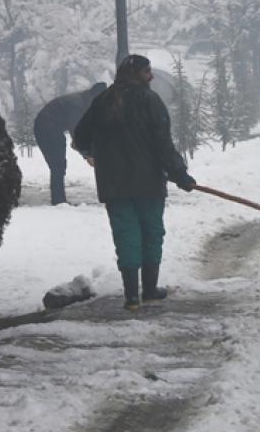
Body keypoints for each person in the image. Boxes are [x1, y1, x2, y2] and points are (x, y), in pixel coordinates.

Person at [72, 55, 196, 311]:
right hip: (148, 183)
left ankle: (131, 297)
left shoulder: (102, 102)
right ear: (137, 74)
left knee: (126, 236)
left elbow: (81, 137)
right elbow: (163, 144)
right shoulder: (150, 101)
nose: (151, 76)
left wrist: (94, 153)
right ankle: (149, 290)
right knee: (151, 233)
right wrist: (179, 173)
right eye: (147, 72)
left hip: (114, 186)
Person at [33, 82, 108, 204]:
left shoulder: (84, 101)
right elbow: (77, 132)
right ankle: (58, 200)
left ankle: (58, 199)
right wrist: (88, 155)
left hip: (53, 128)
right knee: (58, 165)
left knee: (58, 165)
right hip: (46, 128)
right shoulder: (77, 105)